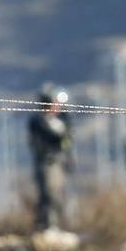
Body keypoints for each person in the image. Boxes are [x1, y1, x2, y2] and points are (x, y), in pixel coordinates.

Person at [28, 89, 73, 231]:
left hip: (60, 164)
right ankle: (48, 225)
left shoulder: (63, 120)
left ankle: (59, 225)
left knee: (58, 196)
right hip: (46, 163)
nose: (57, 106)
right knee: (48, 195)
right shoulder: (38, 121)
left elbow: (67, 141)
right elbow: (36, 144)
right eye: (54, 103)